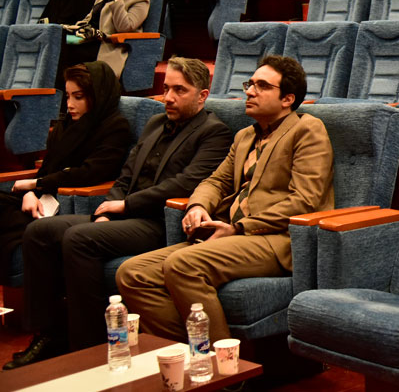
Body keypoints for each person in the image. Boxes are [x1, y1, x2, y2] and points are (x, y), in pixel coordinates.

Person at [7, 58, 232, 365]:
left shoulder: (214, 132)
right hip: (123, 217)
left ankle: (88, 347)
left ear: (202, 95)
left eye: (179, 90)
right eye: (166, 88)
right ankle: (48, 334)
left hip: (158, 222)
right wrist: (107, 211)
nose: (168, 97)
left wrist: (125, 205)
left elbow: (186, 182)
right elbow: (126, 175)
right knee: (39, 231)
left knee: (79, 238)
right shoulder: (155, 123)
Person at [117, 56, 334, 345]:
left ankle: (220, 364)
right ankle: (188, 353)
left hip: (275, 239)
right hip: (230, 235)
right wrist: (198, 206)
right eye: (250, 84)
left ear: (287, 99)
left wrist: (239, 227)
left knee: (183, 264)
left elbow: (305, 201)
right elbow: (215, 181)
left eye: (262, 86)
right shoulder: (245, 136)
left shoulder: (307, 130)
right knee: (133, 273)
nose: (250, 92)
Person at [0, 62, 131, 308]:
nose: (69, 104)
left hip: (66, 205)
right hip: (40, 199)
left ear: (96, 96)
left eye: (78, 97)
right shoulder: (65, 126)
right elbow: (47, 170)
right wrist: (30, 192)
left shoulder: (115, 127)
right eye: (68, 96)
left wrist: (37, 185)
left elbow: (89, 173)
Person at [59, 0, 150, 80]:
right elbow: (88, 20)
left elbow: (124, 27)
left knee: (69, 53)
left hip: (109, 45)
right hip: (89, 40)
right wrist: (70, 28)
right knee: (62, 42)